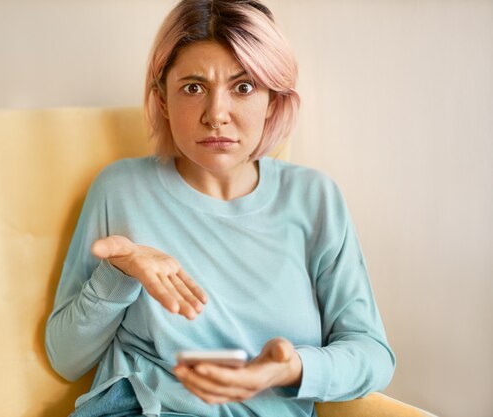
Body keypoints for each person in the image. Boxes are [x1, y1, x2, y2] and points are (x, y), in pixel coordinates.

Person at [45, 0, 396, 416]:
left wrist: (289, 369)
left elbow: (373, 355)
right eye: (193, 88)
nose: (216, 115)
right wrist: (121, 272)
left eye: (243, 87)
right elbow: (66, 359)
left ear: (273, 101)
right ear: (162, 99)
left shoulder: (315, 198)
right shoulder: (120, 188)